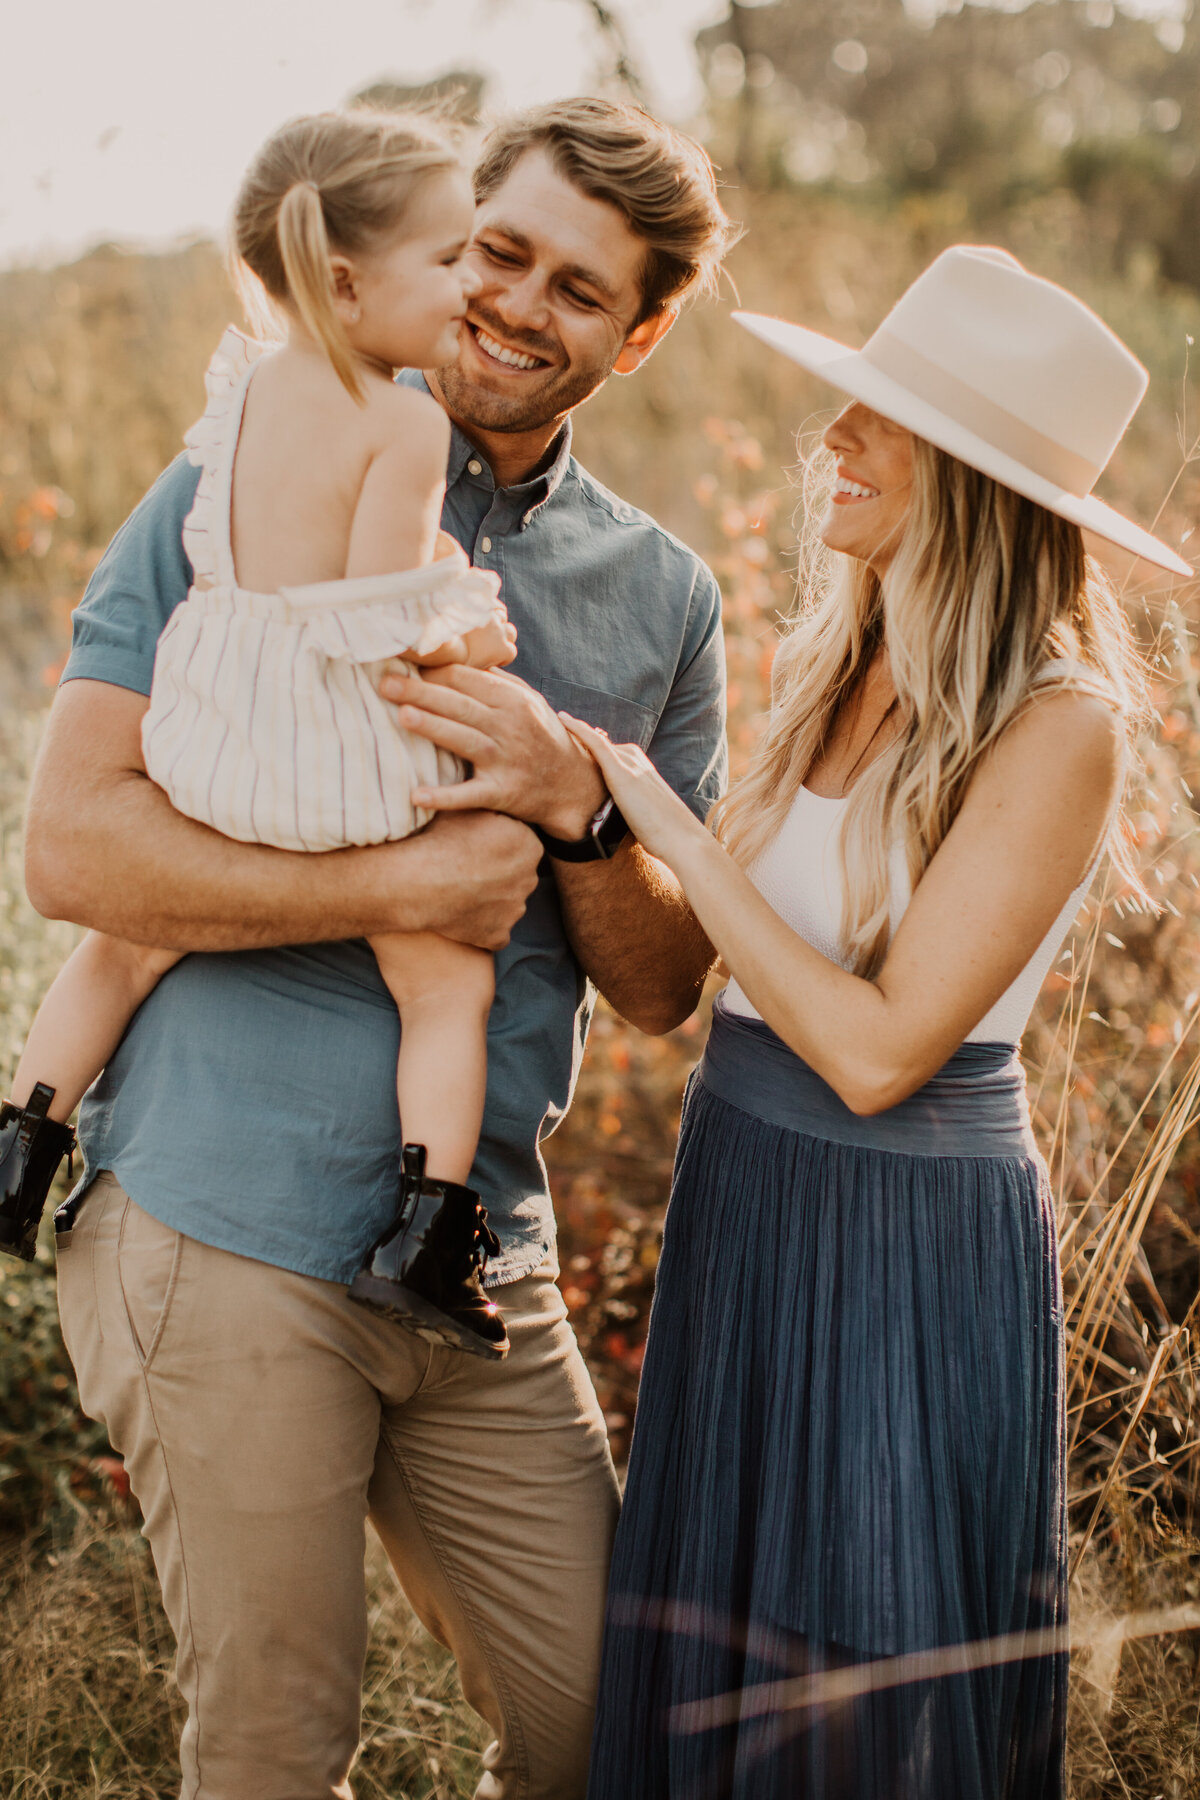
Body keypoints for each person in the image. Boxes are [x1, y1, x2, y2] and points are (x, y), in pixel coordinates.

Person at [25, 98, 739, 1800]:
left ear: (634, 340)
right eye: (497, 250)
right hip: (229, 1220)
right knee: (277, 1755)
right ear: (431, 240)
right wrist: (403, 888)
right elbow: (73, 845)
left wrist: (577, 809)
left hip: (472, 1264)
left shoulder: (664, 598)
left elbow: (657, 986)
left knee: (601, 1732)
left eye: (579, 289)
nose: (512, 302)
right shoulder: (233, 468)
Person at [569, 246, 1192, 1800]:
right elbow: (706, 991)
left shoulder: (1063, 730)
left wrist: (680, 835)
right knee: (726, 1643)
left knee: (860, 1667)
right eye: (842, 407)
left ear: (971, 482)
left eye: (875, 418)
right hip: (746, 1190)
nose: (827, 440)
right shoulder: (822, 659)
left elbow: (875, 1050)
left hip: (903, 1223)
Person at [0, 109, 519, 1357]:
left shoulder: (237, 396)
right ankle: (429, 1231)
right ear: (348, 282)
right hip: (329, 748)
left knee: (126, 946)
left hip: (213, 731)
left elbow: (229, 557)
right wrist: (467, 629)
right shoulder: (404, 419)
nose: (472, 289)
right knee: (445, 978)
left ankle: (23, 1143)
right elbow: (374, 611)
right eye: (450, 260)